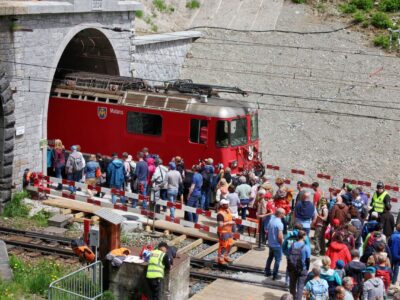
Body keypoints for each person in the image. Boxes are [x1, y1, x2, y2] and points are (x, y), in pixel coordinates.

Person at [288, 230, 311, 300]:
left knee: (292, 285)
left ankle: (292, 298)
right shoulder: (306, 247)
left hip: (292, 268)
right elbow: (308, 260)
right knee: (300, 287)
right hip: (302, 269)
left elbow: (288, 255)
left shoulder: (292, 245)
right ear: (304, 237)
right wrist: (307, 269)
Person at [265, 208, 285, 280]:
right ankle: (275, 274)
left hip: (270, 243)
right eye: (283, 213)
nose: (284, 215)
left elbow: (267, 231)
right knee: (278, 260)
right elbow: (280, 236)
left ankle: (267, 271)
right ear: (280, 214)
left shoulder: (271, 221)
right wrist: (282, 243)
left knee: (270, 258)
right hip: (277, 245)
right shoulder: (280, 224)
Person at [216, 199, 235, 265]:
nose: (227, 205)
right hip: (223, 232)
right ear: (222, 205)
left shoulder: (227, 210)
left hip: (229, 231)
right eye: (226, 204)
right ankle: (220, 258)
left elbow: (231, 217)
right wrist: (229, 222)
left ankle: (226, 256)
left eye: (227, 204)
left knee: (230, 244)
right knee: (223, 246)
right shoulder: (220, 214)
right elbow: (220, 224)